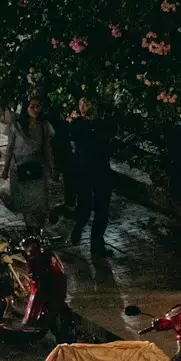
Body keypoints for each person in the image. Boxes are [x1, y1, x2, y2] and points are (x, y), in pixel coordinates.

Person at [2, 97, 57, 231]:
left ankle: (38, 229)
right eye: (32, 106)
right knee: (25, 202)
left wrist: (52, 167)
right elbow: (9, 148)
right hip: (19, 167)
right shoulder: (16, 126)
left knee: (38, 201)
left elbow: (47, 148)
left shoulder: (44, 126)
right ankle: (31, 230)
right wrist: (5, 168)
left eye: (38, 106)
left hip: (37, 167)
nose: (36, 110)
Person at [68, 98, 114, 255]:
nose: (82, 108)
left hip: (102, 171)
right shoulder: (76, 125)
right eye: (81, 104)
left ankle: (97, 243)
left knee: (102, 209)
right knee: (84, 207)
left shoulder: (104, 124)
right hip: (84, 172)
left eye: (86, 104)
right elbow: (73, 147)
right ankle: (78, 228)